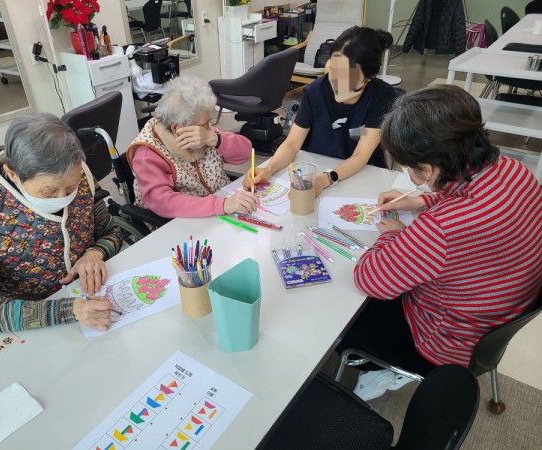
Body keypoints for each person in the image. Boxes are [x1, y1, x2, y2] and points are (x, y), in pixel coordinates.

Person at [338, 85, 542, 401]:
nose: (411, 177)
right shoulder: (513, 170)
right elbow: (473, 204)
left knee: (343, 320)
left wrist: (393, 233)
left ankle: (384, 369)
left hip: (445, 343)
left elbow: (369, 279)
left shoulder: (441, 228)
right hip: (498, 315)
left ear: (428, 168)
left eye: (409, 168)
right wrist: (423, 201)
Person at [0, 113, 123, 335]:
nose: (64, 198)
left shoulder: (78, 173)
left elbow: (112, 230)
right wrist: (69, 310)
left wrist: (95, 253)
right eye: (49, 192)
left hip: (90, 296)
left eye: (71, 188)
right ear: (12, 173)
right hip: (27, 321)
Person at [243, 26, 397, 196]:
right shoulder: (315, 92)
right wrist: (268, 169)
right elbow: (292, 144)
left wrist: (324, 180)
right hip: (317, 166)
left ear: (368, 78)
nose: (336, 81)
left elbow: (360, 156)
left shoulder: (382, 97)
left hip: (361, 174)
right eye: (333, 70)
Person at [127, 75, 258, 220]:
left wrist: (216, 139)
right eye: (204, 124)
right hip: (182, 222)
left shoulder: (203, 133)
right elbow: (163, 202)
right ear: (178, 128)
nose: (209, 128)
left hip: (219, 208)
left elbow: (246, 152)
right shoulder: (147, 153)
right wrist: (222, 204)